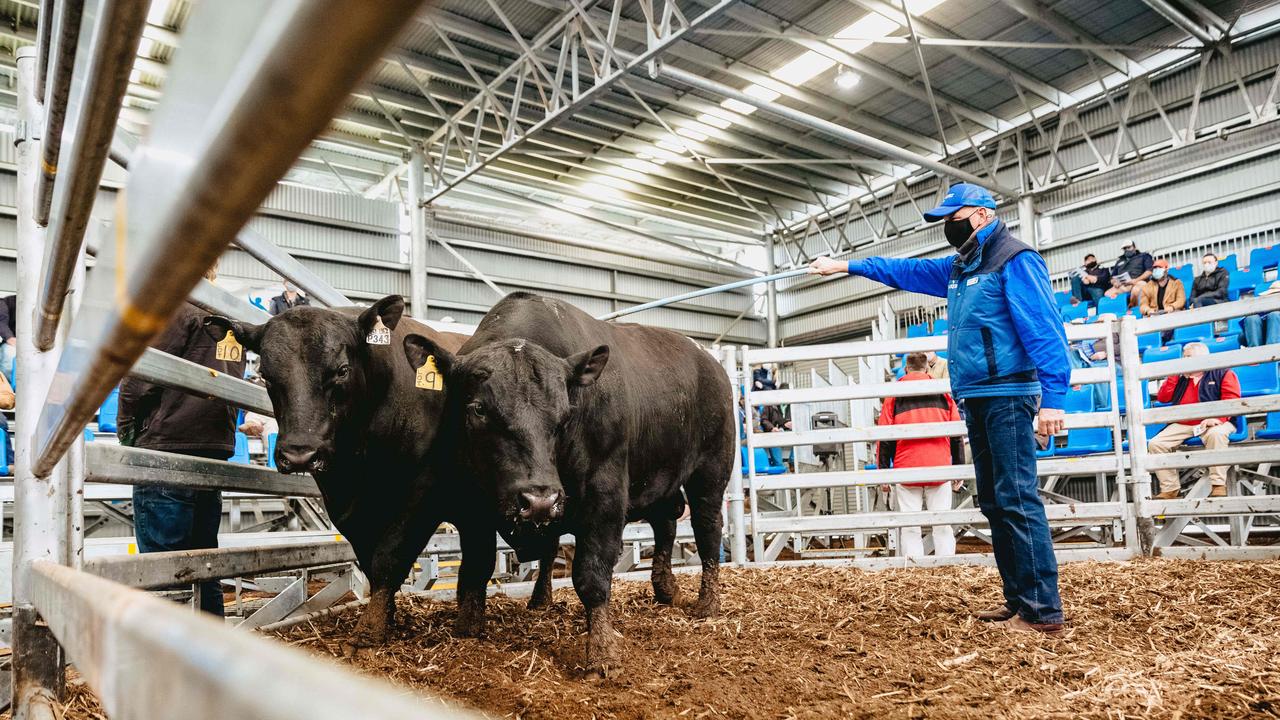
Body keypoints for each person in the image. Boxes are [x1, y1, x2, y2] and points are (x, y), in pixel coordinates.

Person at [809, 182, 1069, 634]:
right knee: (995, 500)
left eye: (954, 216)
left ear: (983, 215)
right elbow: (902, 271)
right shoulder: (959, 268)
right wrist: (846, 266)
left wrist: (1055, 399)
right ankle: (1018, 600)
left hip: (1008, 393)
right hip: (979, 396)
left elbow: (1044, 328)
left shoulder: (1014, 258)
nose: (948, 225)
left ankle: (1042, 610)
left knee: (1017, 498)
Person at [118, 262, 246, 616]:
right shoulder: (229, 318)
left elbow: (140, 374)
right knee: (205, 562)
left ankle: (166, 662)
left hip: (168, 445)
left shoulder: (176, 307)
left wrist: (126, 430)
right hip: (212, 450)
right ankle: (209, 653)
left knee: (165, 563)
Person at [877, 352, 963, 558]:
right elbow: (956, 435)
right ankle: (946, 565)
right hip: (939, 467)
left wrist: (883, 473)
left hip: (907, 468)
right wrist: (958, 469)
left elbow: (884, 438)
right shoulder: (942, 393)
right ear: (927, 369)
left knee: (910, 525)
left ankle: (913, 566)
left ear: (906, 369)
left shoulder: (894, 396)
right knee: (942, 523)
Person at [1147, 342, 1239, 499]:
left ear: (1202, 358)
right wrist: (1174, 375)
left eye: (1188, 357)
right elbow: (1163, 397)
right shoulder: (1180, 377)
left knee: (1216, 435)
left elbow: (1232, 400)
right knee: (1156, 444)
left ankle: (1218, 485)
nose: (1184, 359)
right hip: (1184, 422)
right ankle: (1170, 489)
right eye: (1183, 356)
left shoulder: (1223, 373)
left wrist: (1218, 418)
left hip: (1216, 421)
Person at [1240, 282, 1280, 347]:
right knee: (1252, 318)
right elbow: (1241, 338)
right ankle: (1255, 351)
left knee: (1275, 315)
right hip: (1258, 337)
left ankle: (1272, 349)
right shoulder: (1262, 307)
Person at [0, 294, 16, 370]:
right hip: (11, 344)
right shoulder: (6, 302)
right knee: (10, 353)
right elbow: (1, 322)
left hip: (34, 347)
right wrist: (9, 337)